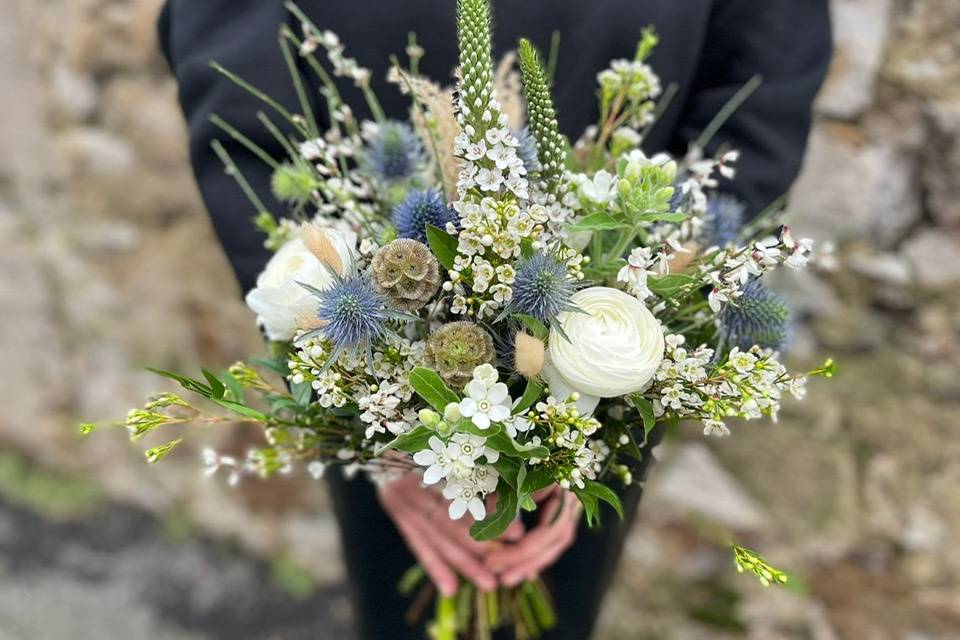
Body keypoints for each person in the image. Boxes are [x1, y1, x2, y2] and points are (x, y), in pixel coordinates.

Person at [158, 1, 832, 638]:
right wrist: (363, 380)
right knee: (403, 604)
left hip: (613, 326)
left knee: (554, 604)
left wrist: (647, 307)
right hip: (374, 325)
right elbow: (235, 80)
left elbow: (766, 79)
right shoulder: (367, 335)